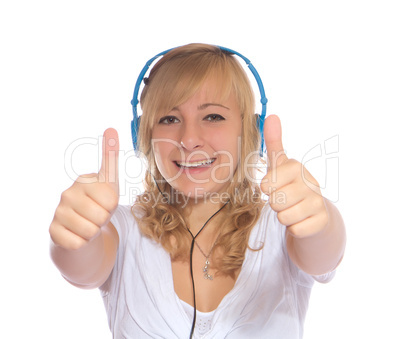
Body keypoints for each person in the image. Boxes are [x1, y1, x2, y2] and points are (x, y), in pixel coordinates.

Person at [49, 43, 346, 338]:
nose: (189, 139)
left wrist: (322, 219)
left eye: (213, 116)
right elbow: (80, 267)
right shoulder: (121, 229)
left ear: (249, 131)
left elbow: (325, 253)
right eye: (169, 119)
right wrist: (73, 238)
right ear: (144, 136)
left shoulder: (284, 225)